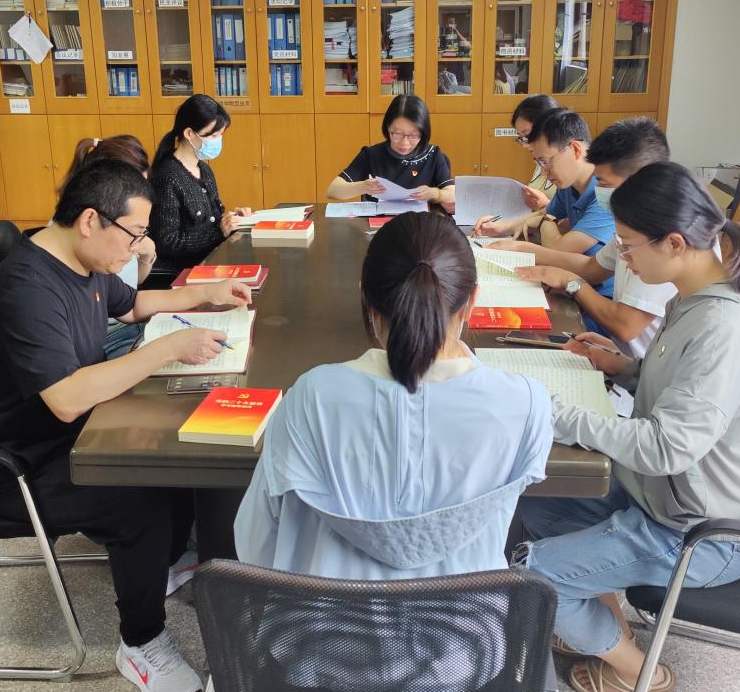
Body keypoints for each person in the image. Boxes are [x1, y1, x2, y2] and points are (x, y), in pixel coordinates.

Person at [0, 158, 253, 692]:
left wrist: (207, 295)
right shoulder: (27, 287)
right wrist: (166, 350)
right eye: (134, 234)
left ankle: (163, 559)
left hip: (68, 433)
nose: (138, 249)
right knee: (137, 494)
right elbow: (67, 399)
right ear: (91, 220)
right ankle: (141, 641)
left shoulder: (83, 258)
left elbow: (135, 304)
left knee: (175, 450)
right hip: (13, 464)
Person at [516, 161, 740, 692]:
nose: (621, 257)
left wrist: (558, 414)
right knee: (539, 503)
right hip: (663, 498)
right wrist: (623, 367)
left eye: (627, 244)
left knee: (533, 577)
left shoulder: (724, 327)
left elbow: (668, 447)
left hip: (703, 533)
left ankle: (639, 671)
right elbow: (680, 387)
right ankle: (599, 620)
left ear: (673, 242)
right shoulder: (690, 298)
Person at [234, 211, 553, 579]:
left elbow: (255, 545)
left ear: (367, 301)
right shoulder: (526, 403)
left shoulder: (310, 397)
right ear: (472, 301)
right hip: (467, 615)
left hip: (327, 614)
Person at [510, 117, 672, 357]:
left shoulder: (660, 236)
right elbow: (591, 268)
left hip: (633, 363)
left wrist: (570, 281)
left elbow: (625, 326)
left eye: (603, 182)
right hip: (618, 356)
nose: (599, 190)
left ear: (639, 181)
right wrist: (526, 253)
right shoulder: (631, 223)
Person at [474, 109, 615, 299]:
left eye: (545, 161)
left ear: (575, 149)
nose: (543, 172)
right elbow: (544, 213)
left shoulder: (605, 192)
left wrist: (543, 224)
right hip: (570, 290)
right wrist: (500, 227)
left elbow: (558, 248)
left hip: (596, 299)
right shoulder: (569, 185)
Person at [58, 134, 156, 358]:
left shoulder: (112, 236)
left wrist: (146, 255)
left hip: (126, 325)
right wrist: (166, 351)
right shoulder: (89, 246)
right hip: (110, 337)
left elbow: (129, 299)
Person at [149, 94, 252, 276]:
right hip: (186, 272)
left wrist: (232, 221)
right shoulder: (167, 177)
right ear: (189, 134)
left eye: (220, 135)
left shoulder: (204, 169)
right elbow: (167, 242)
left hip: (212, 260)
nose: (218, 141)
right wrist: (219, 232)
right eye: (213, 135)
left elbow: (211, 221)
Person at [325, 94, 456, 206]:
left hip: (419, 223)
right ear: (388, 128)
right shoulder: (372, 155)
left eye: (413, 135)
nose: (404, 143)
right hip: (379, 225)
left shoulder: (433, 154)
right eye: (397, 134)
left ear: (423, 133)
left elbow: (453, 194)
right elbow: (333, 190)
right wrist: (362, 187)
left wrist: (435, 193)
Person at [509, 94, 560, 212]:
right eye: (521, 138)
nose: (525, 145)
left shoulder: (569, 165)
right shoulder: (540, 159)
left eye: (527, 135)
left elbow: (571, 216)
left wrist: (546, 204)